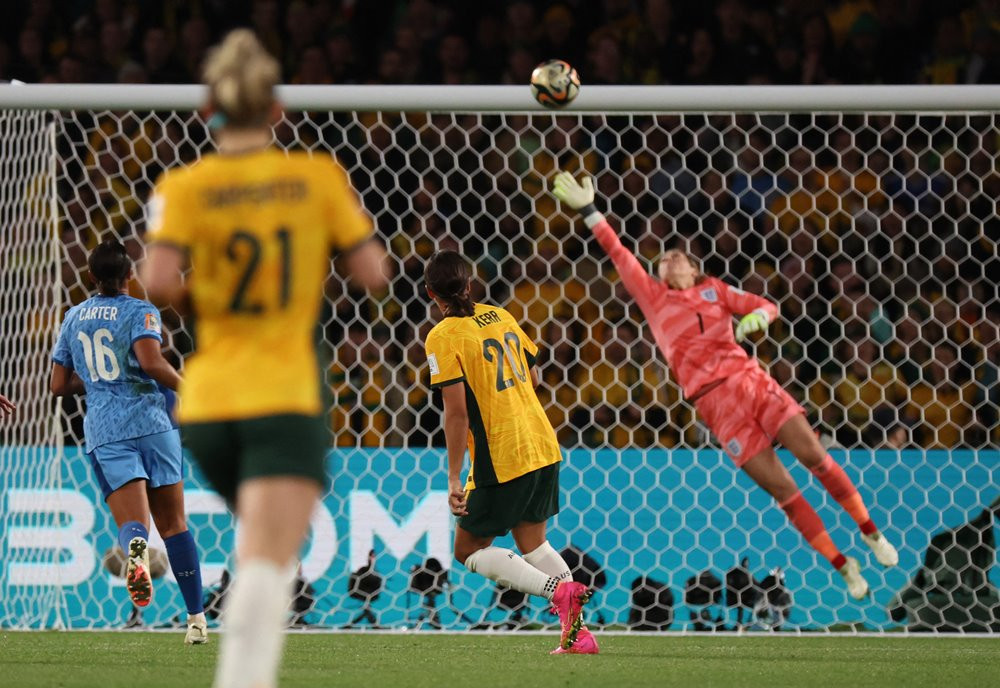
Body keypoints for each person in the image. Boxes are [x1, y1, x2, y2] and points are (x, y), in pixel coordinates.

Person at [140, 29, 389, 688]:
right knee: (268, 560)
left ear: (208, 111)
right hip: (283, 396)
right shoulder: (315, 177)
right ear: (277, 109)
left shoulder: (183, 185)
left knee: (257, 543)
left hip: (207, 403)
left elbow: (157, 283)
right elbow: (374, 272)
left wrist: (203, 296)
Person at [552, 171, 898, 600]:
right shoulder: (654, 299)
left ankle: (870, 532)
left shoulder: (714, 291)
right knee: (784, 491)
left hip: (750, 381)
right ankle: (843, 565)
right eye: (664, 257)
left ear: (694, 269)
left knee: (815, 457)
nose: (670, 258)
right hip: (715, 405)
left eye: (679, 255)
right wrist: (590, 210)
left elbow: (765, 305)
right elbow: (619, 253)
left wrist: (758, 317)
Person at [422, 250, 596, 654]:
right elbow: (534, 376)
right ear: (470, 284)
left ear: (430, 293)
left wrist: (453, 476)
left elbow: (456, 413)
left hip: (502, 454)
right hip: (541, 442)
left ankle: (558, 592)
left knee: (468, 550)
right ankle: (578, 636)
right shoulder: (500, 316)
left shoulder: (442, 337)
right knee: (535, 544)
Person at [50, 238, 207, 644]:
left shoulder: (73, 317)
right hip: (154, 424)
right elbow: (153, 363)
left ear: (90, 276)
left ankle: (136, 548)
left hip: (107, 430)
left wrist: (99, 379)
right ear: (130, 275)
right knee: (174, 525)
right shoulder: (142, 311)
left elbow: (58, 385)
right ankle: (196, 620)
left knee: (134, 526)